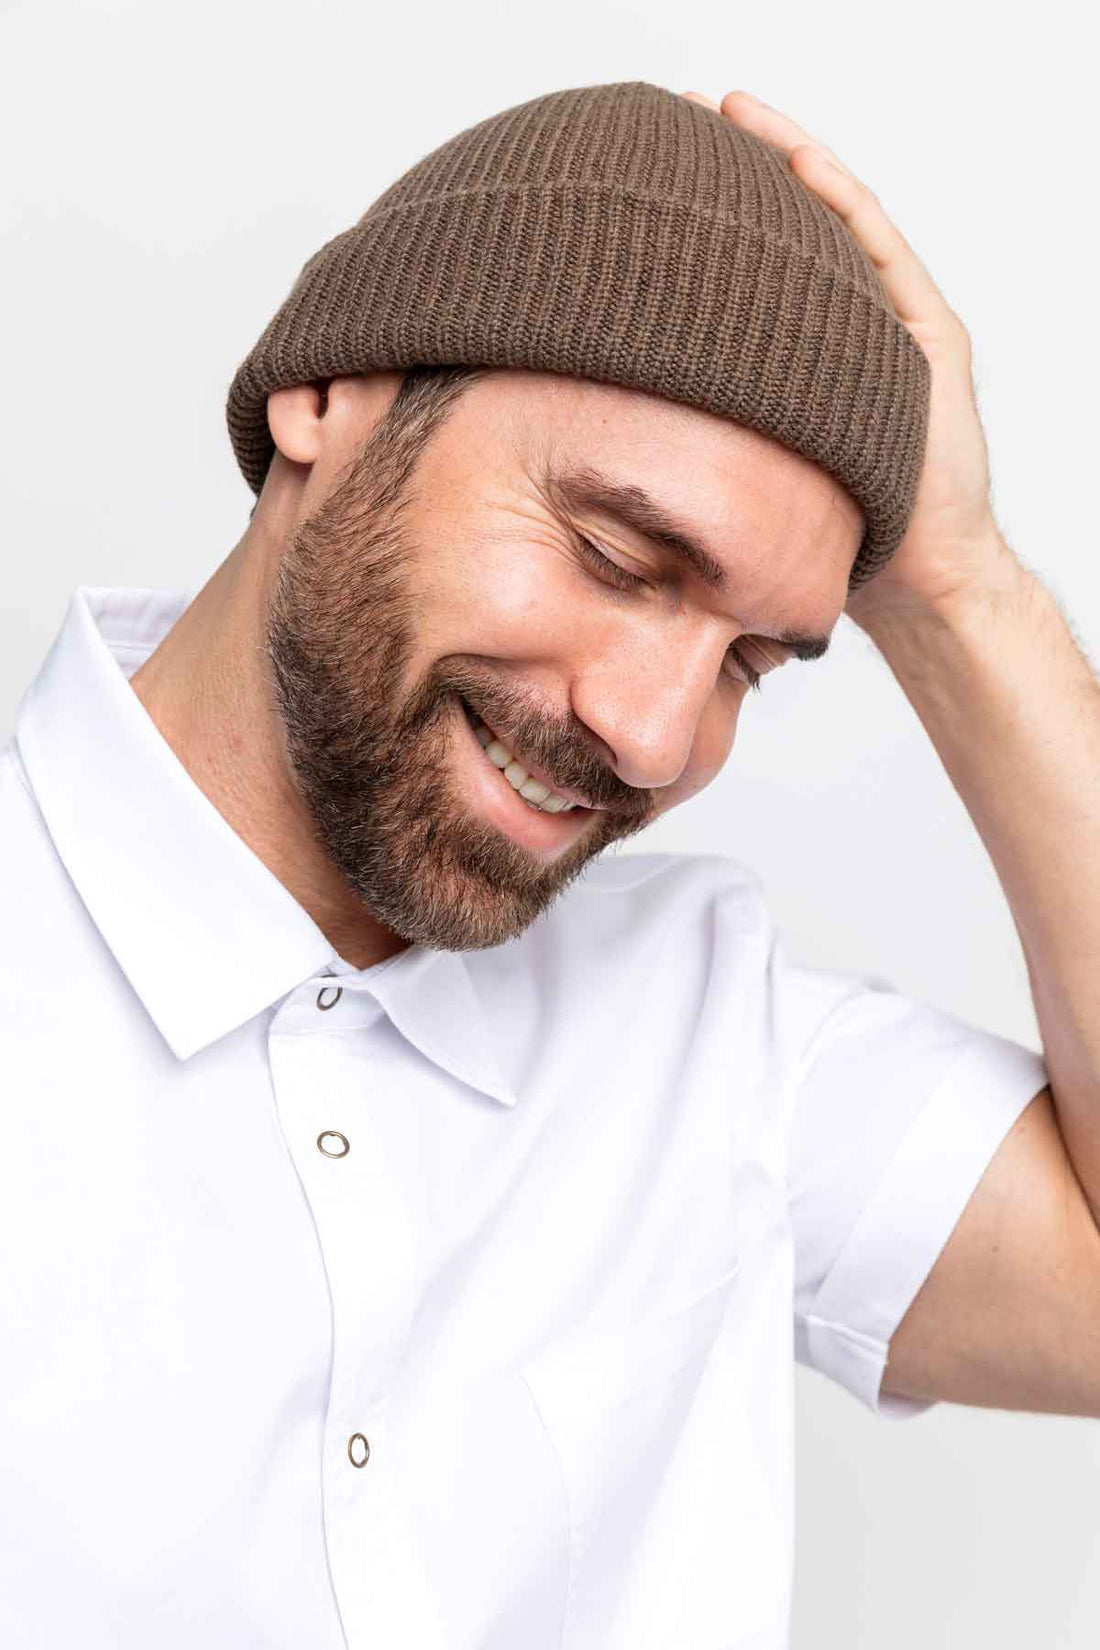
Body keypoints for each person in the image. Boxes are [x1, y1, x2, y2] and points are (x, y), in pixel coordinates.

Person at [1, 79, 1094, 1650]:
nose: (655, 736)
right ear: (334, 392)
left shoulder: (710, 1034)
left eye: (751, 663)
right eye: (616, 558)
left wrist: (959, 590)